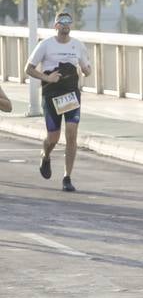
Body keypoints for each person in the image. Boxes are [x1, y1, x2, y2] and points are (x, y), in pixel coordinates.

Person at [25, 11, 92, 192]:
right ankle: (45, 155)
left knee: (71, 134)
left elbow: (87, 69)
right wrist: (47, 78)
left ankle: (67, 177)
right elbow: (28, 69)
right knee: (53, 138)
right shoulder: (45, 45)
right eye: (61, 22)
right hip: (51, 95)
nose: (65, 24)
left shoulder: (78, 45)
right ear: (56, 26)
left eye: (68, 21)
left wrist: (86, 69)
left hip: (71, 95)